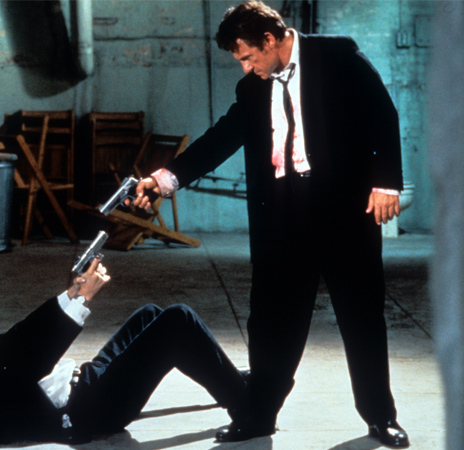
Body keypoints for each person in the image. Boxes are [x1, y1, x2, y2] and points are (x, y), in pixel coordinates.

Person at [132, 1, 408, 447]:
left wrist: (386, 184)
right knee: (270, 321)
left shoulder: (338, 55)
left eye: (248, 57)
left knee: (362, 317)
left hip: (343, 213)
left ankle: (381, 417)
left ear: (269, 39)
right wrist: (164, 179)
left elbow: (383, 113)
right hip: (282, 219)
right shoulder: (252, 88)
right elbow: (220, 139)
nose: (246, 67)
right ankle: (259, 416)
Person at [0, 258, 247, 445]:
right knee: (177, 319)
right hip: (95, 412)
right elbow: (33, 365)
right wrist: (85, 300)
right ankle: (246, 403)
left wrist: (71, 294)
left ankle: (228, 379)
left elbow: (15, 338)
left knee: (149, 314)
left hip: (86, 384)